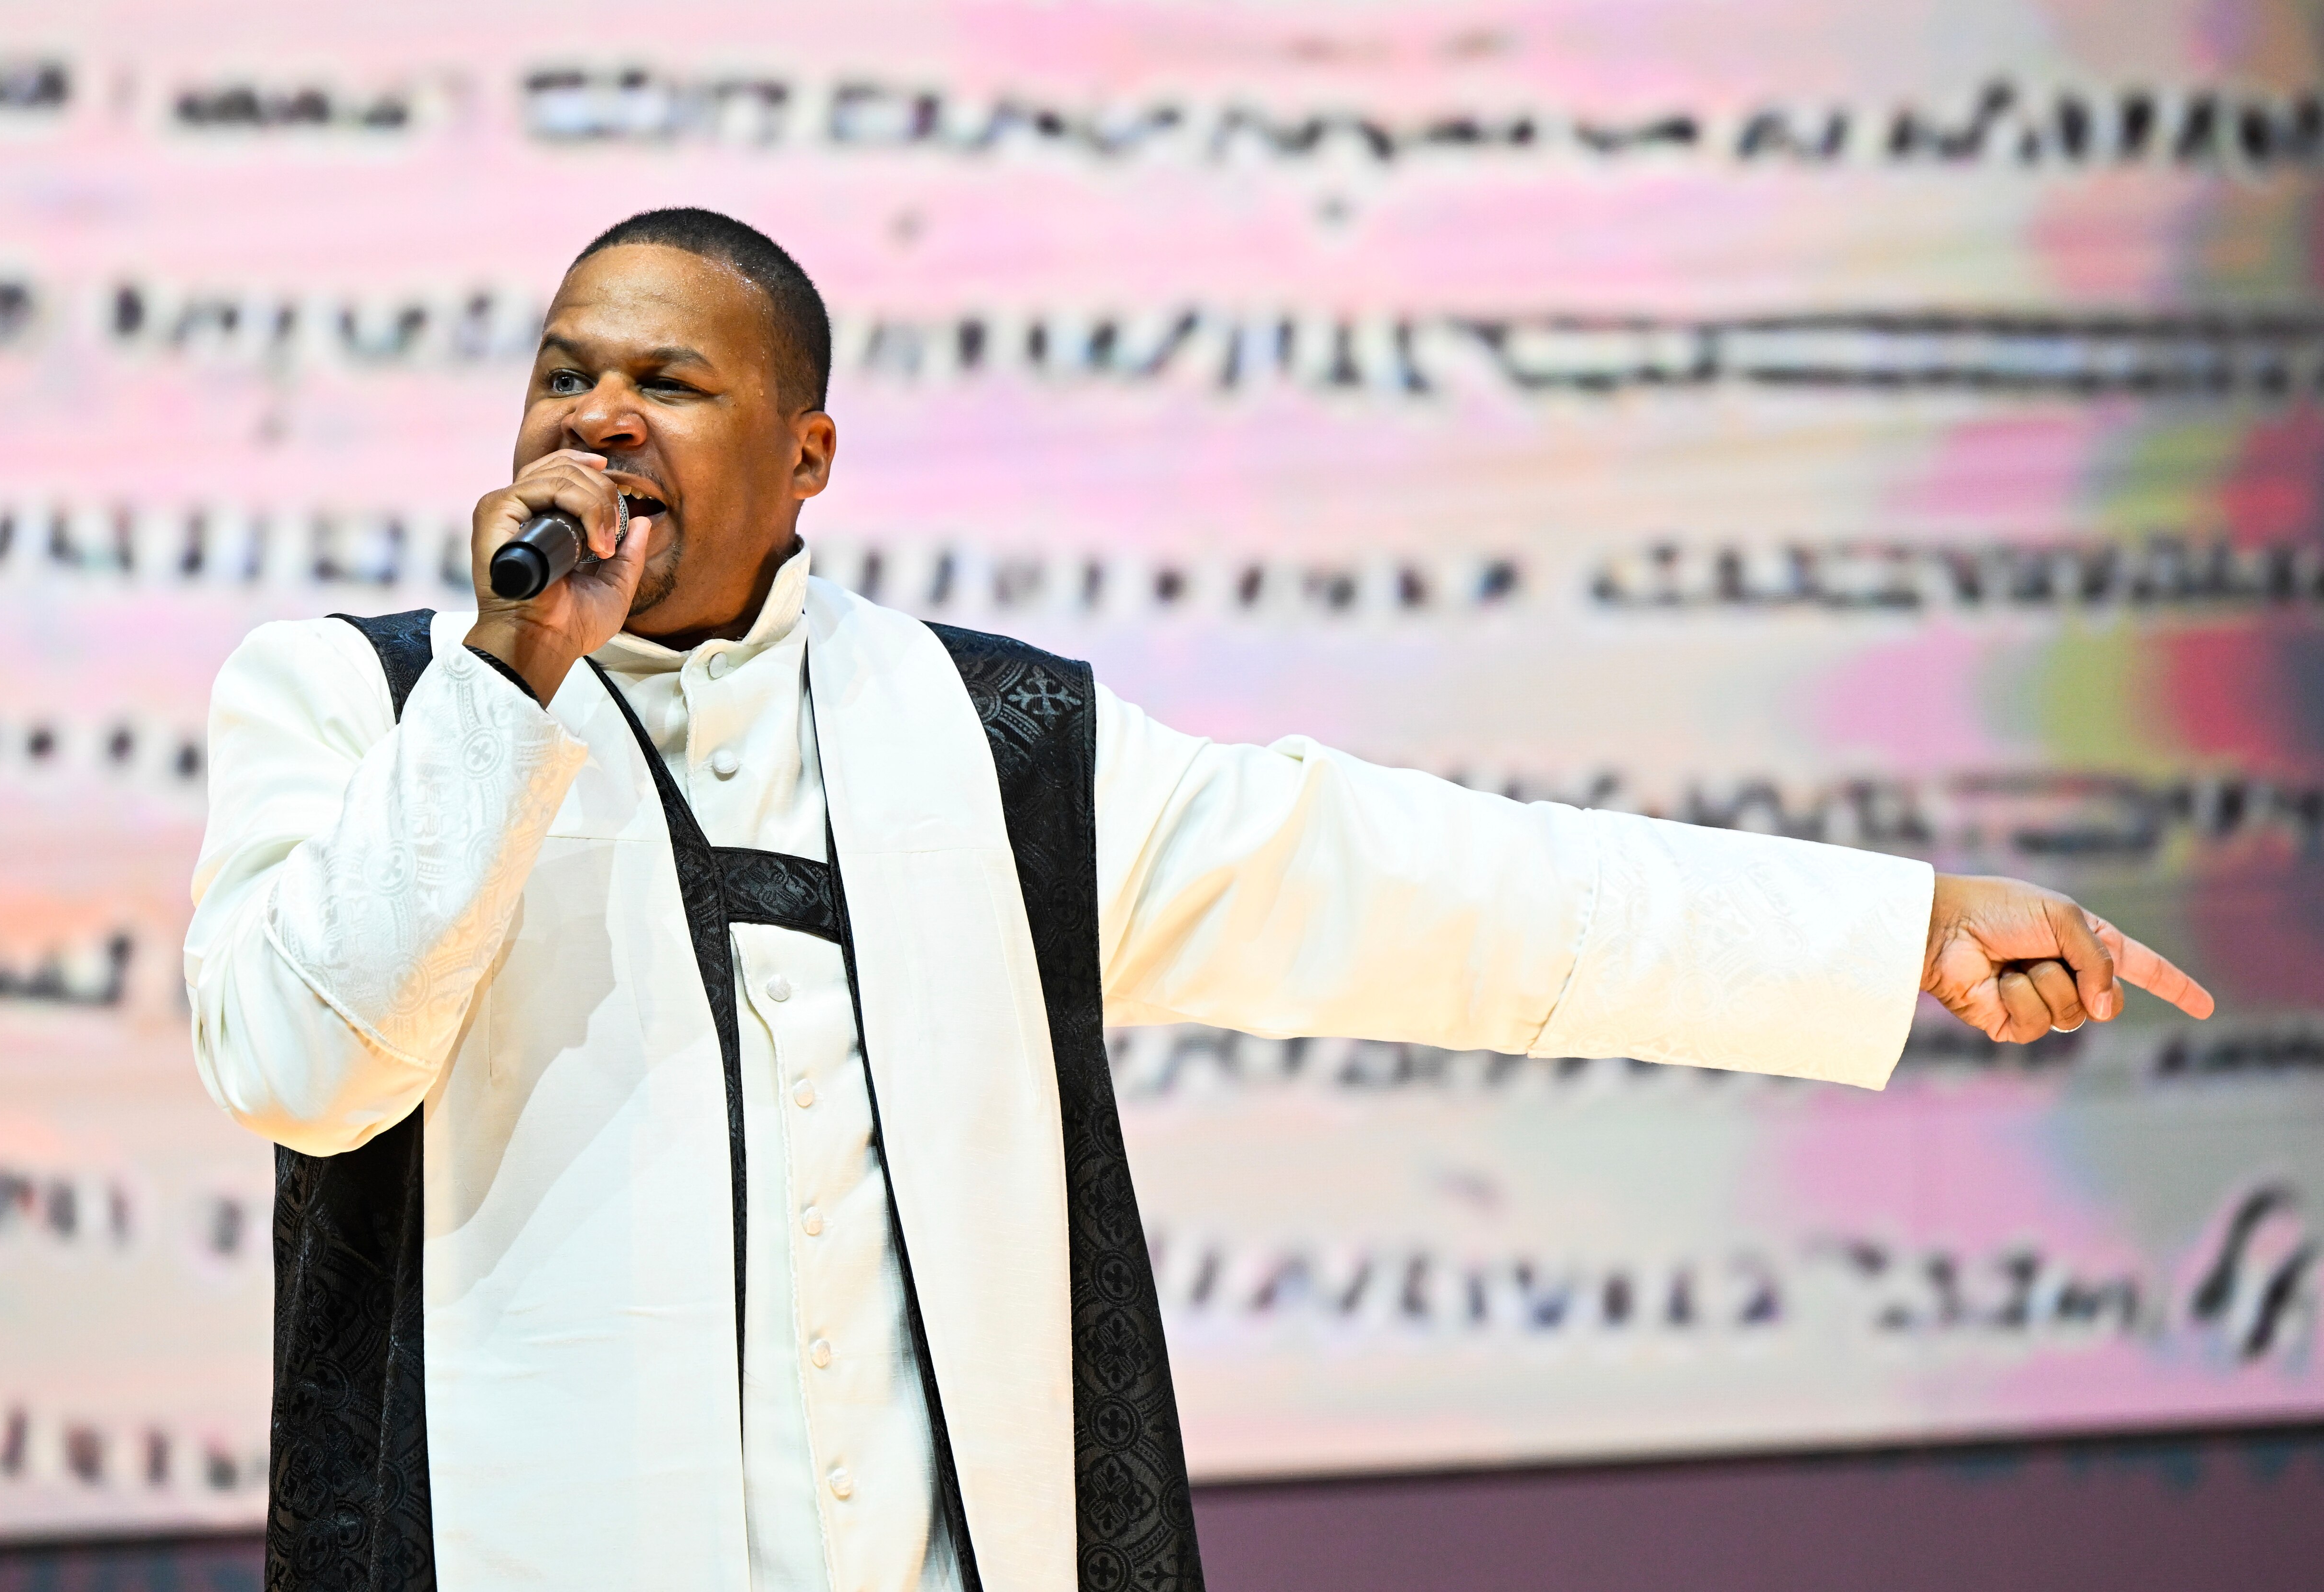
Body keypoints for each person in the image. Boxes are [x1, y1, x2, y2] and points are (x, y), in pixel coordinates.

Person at [186, 208, 2214, 1592]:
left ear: (807, 457)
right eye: (565, 373)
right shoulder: (364, 702)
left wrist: (1894, 926)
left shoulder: (988, 741)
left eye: (671, 385)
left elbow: (1440, 897)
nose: (596, 418)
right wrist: (507, 684)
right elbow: (306, 1063)